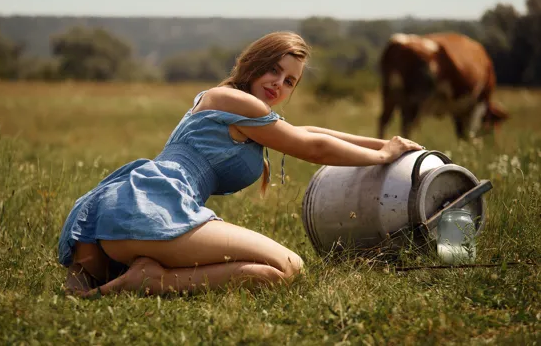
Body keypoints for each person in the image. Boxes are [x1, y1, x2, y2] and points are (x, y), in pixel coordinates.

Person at [59, 31, 424, 297]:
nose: (279, 84)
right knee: (291, 267)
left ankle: (135, 273)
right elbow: (312, 147)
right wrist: (381, 157)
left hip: (126, 214)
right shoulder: (236, 101)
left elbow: (306, 130)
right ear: (254, 64)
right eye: (274, 71)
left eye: (290, 81)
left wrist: (389, 144)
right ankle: (151, 280)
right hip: (154, 208)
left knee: (270, 274)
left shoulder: (237, 109)